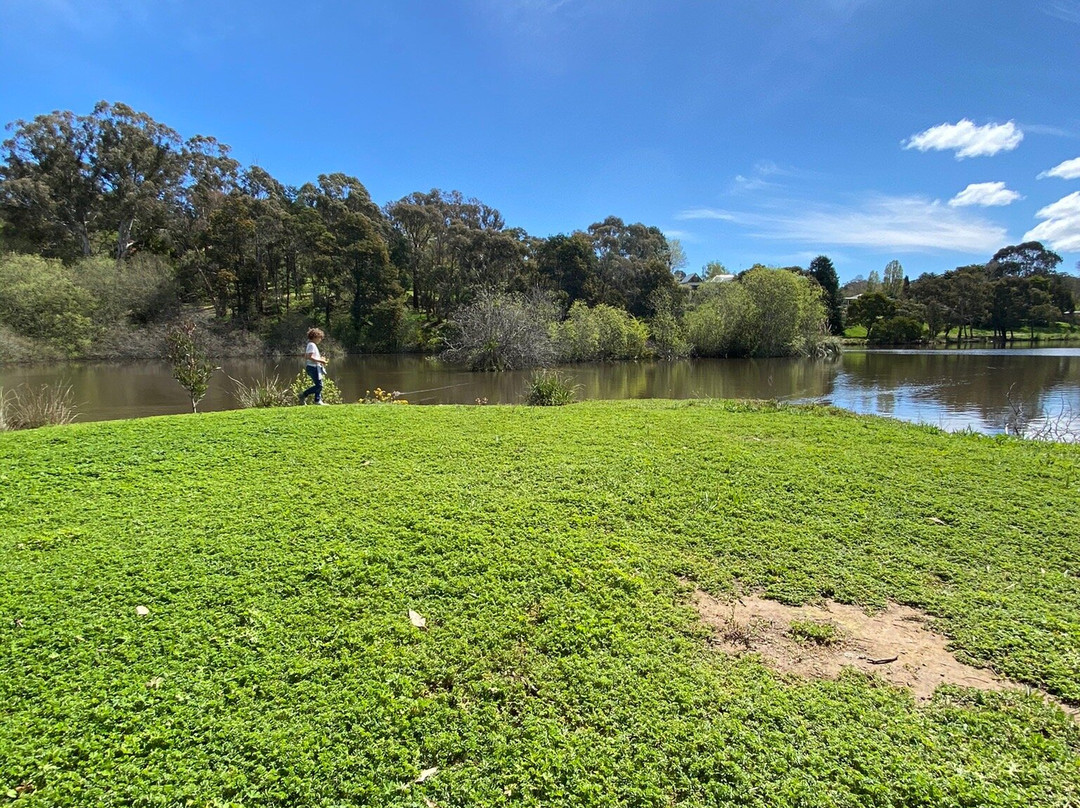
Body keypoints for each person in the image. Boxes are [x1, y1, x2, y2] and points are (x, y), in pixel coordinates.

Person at [298, 328, 329, 405]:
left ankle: (317, 400)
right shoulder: (311, 345)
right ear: (315, 337)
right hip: (312, 367)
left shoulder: (312, 345)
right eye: (320, 337)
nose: (320, 339)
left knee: (320, 384)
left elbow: (311, 356)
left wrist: (320, 358)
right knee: (319, 385)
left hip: (315, 367)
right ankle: (303, 395)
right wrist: (321, 361)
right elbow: (309, 357)